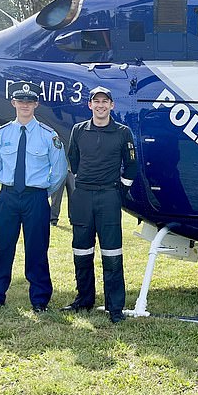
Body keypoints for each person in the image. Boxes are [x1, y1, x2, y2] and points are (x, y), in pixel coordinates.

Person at [0, 81, 67, 312]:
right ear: (13, 103)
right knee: (2, 248)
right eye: (21, 101)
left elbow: (59, 170)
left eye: (29, 102)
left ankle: (40, 300)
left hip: (35, 199)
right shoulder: (2, 134)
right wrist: (6, 183)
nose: (25, 105)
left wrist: (42, 192)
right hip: (8, 197)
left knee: (37, 249)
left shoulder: (48, 135)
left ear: (36, 104)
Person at [62, 86, 138, 323]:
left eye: (105, 102)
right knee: (81, 250)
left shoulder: (122, 132)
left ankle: (115, 307)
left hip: (108, 196)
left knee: (112, 252)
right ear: (90, 105)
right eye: (97, 102)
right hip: (83, 195)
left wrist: (121, 188)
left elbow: (132, 164)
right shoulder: (78, 130)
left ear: (112, 106)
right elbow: (73, 159)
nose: (101, 105)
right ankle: (84, 299)